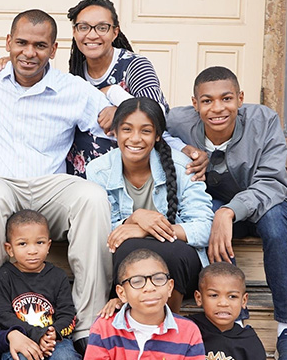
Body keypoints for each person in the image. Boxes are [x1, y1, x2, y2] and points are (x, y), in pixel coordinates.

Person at [0, 9, 116, 354]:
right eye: (21, 43)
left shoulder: (73, 90)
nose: (29, 52)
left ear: (54, 49)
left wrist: (184, 149)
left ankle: (87, 326)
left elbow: (121, 120)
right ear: (7, 42)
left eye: (39, 45)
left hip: (49, 186)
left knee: (92, 197)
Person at [166, 66, 287, 360]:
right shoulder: (179, 121)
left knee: (274, 224)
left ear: (241, 98)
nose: (217, 108)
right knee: (206, 223)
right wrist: (183, 147)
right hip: (216, 205)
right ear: (195, 104)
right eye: (207, 101)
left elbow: (272, 182)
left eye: (226, 98)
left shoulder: (264, 120)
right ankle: (234, 322)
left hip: (265, 202)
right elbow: (148, 123)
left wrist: (228, 212)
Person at [87, 97, 213, 315]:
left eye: (145, 131)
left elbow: (203, 228)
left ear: (157, 136)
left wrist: (147, 230)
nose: (135, 139)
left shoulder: (182, 166)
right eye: (127, 129)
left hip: (180, 268)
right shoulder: (99, 170)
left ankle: (167, 326)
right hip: (128, 265)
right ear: (115, 132)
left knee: (171, 254)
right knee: (128, 249)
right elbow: (102, 230)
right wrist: (135, 217)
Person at [66, 0, 207, 179]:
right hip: (82, 178)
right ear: (75, 32)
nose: (92, 34)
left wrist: (115, 98)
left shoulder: (134, 66)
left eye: (102, 27)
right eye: (83, 27)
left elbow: (156, 114)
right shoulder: (75, 73)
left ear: (115, 32)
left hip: (129, 180)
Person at [79, 248, 205, 360]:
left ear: (170, 287)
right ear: (121, 293)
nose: (149, 288)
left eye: (158, 279)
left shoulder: (187, 332)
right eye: (137, 281)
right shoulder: (104, 327)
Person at [0, 210, 82, 360]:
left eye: (39, 243)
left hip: (55, 342)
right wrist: (37, 334)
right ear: (10, 249)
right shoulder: (5, 275)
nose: (32, 251)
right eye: (23, 244)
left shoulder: (58, 276)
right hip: (20, 341)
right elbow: (3, 314)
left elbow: (68, 313)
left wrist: (53, 333)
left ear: (49, 245)